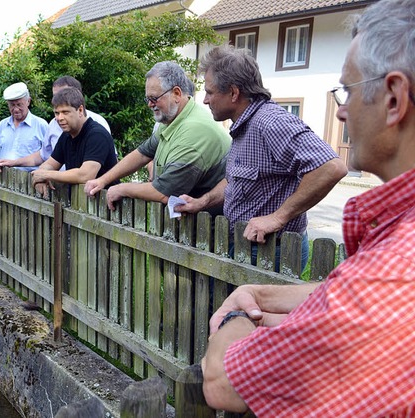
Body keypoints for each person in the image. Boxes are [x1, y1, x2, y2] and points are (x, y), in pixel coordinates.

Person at [202, 0, 415, 416]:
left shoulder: (395, 270)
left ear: (393, 99)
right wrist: (257, 295)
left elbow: (329, 164)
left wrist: (235, 318)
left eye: (347, 90)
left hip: (270, 251)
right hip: (250, 259)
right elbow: (341, 297)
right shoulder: (393, 241)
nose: (340, 108)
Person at [175, 46, 348, 268]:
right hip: (248, 247)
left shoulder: (270, 122)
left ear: (234, 93)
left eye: (210, 92)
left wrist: (277, 218)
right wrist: (202, 202)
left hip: (274, 251)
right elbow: (235, 181)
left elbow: (331, 167)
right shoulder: (245, 125)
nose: (206, 100)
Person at [84, 61, 231, 212]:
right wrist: (102, 180)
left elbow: (164, 192)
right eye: (147, 99)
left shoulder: (193, 131)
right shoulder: (173, 119)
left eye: (154, 98)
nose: (149, 104)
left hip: (212, 226)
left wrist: (121, 188)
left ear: (176, 94)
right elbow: (142, 154)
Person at [0, 76, 111, 172]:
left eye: (64, 94)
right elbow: (44, 157)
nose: (58, 99)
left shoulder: (97, 126)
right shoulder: (58, 128)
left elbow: (85, 174)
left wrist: (46, 175)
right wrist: (18, 164)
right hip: (62, 192)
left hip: (95, 196)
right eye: (55, 96)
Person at [31, 87, 117, 197]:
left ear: (80, 110)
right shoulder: (66, 135)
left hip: (105, 207)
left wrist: (46, 175)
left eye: (65, 112)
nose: (59, 118)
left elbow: (85, 175)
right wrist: (40, 179)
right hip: (79, 206)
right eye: (56, 113)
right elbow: (49, 164)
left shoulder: (97, 135)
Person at [0, 82, 48, 172]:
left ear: (28, 101)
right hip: (5, 181)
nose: (16, 109)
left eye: (19, 104)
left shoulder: (41, 125)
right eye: (12, 105)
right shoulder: (2, 125)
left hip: (31, 182)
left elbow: (49, 156)